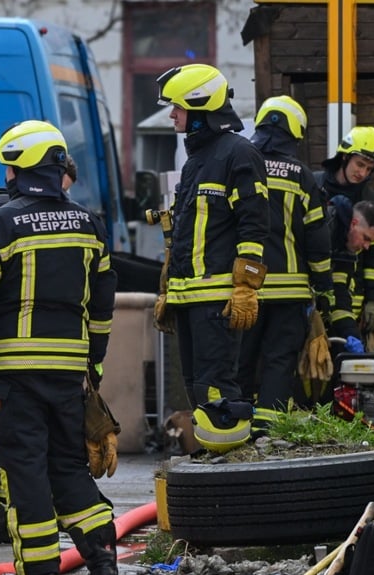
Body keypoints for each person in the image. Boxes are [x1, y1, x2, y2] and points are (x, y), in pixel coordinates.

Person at [0, 120, 118, 575]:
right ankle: (104, 563)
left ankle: (39, 573)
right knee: (69, 466)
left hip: (12, 375)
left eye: (9, 166)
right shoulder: (89, 223)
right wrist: (94, 361)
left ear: (20, 168)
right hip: (68, 372)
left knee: (25, 470)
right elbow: (102, 305)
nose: (5, 174)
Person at [153, 63, 270, 453]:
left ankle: (231, 462)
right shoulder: (197, 161)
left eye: (178, 107)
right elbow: (187, 236)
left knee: (216, 388)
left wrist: (246, 286)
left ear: (201, 109)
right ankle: (211, 457)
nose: (172, 115)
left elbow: (254, 225)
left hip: (218, 300)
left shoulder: (239, 154)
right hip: (191, 300)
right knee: (196, 388)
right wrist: (170, 290)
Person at [239, 96, 332, 437]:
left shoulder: (241, 166)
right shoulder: (302, 177)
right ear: (295, 133)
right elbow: (318, 241)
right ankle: (267, 434)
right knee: (279, 361)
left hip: (245, 288)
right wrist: (324, 291)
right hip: (290, 293)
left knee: (241, 359)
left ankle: (235, 429)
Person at [314, 126, 374, 343]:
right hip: (312, 299)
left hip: (350, 302)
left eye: (369, 168)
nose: (363, 173)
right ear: (345, 157)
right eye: (360, 164)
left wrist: (373, 302)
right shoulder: (314, 185)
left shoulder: (371, 202)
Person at [328, 196, 374, 344]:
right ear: (353, 224)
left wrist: (350, 333)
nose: (366, 247)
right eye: (365, 238)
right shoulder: (325, 232)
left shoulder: (347, 252)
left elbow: (339, 295)